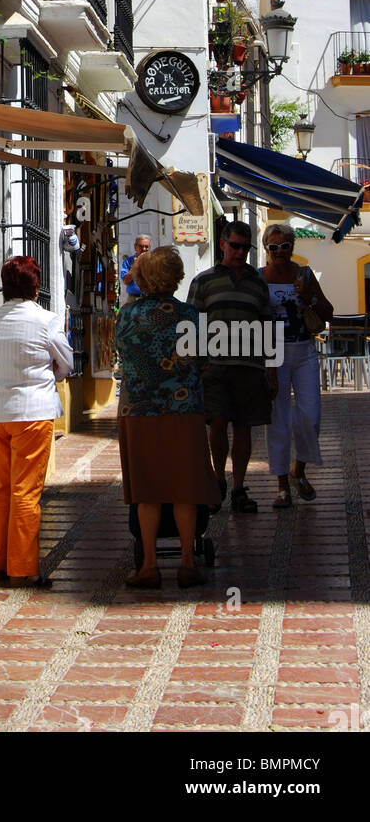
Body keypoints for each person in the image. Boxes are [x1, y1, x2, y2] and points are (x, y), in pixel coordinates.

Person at [115, 247, 220, 589]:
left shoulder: (127, 315)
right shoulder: (190, 316)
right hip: (183, 410)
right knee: (184, 487)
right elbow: (203, 363)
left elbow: (123, 355)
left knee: (147, 490)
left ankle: (149, 565)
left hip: (139, 411)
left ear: (144, 279)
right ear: (176, 277)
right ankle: (187, 563)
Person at [0, 256, 74, 588]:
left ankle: (0, 561)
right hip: (32, 414)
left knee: (3, 489)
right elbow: (66, 363)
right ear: (36, 287)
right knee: (26, 492)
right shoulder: (46, 320)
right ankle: (24, 568)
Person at [187, 220, 277, 514]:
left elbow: (267, 326)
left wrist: (271, 369)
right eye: (235, 246)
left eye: (245, 247)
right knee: (217, 422)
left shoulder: (257, 282)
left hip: (250, 367)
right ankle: (217, 480)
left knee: (244, 427)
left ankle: (238, 487)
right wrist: (195, 367)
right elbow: (193, 325)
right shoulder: (203, 281)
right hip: (214, 366)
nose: (240, 252)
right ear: (223, 244)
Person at [259, 223, 333, 508]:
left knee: (310, 417)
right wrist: (266, 365)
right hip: (273, 353)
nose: (279, 252)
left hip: (303, 351)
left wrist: (308, 297)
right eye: (273, 247)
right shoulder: (259, 277)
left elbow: (327, 312)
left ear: (292, 246)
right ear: (266, 249)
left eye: (284, 246)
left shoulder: (304, 274)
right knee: (277, 421)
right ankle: (281, 487)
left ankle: (298, 470)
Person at [121, 235, 151, 300]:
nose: (144, 249)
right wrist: (136, 264)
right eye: (141, 246)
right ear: (135, 247)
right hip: (133, 298)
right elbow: (126, 281)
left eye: (146, 246)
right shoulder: (128, 262)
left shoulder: (153, 261)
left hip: (150, 298)